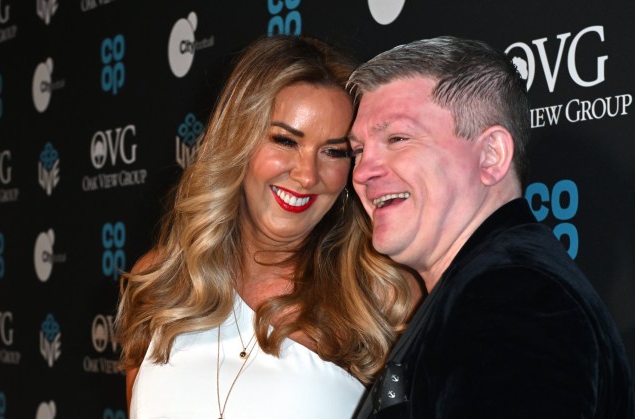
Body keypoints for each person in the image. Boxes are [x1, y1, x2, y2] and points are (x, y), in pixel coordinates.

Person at [115, 35, 419, 419]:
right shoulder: (161, 281)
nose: (307, 175)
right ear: (237, 140)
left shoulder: (381, 297)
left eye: (333, 151)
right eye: (285, 140)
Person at [347, 35, 634, 418]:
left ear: (491, 156)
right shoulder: (488, 286)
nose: (363, 171)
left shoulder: (515, 296)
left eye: (397, 138)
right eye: (358, 150)